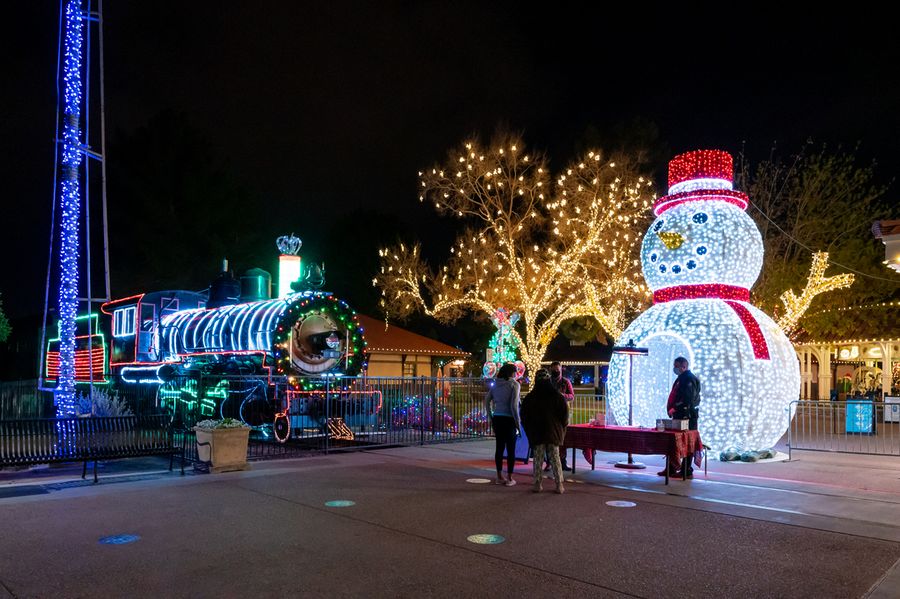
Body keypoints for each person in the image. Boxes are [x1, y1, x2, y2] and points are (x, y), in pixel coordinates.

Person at [521, 369, 568, 494]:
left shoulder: (530, 398)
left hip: (537, 432)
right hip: (553, 432)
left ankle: (538, 483)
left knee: (538, 458)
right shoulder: (557, 396)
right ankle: (559, 484)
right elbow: (564, 416)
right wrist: (562, 429)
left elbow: (524, 416)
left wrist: (529, 430)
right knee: (555, 458)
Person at [657, 356, 701, 478]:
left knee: (687, 443)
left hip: (687, 417)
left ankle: (686, 470)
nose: (675, 369)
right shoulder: (681, 378)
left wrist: (675, 408)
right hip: (679, 416)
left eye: (676, 366)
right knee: (674, 442)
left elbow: (687, 399)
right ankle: (671, 467)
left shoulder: (688, 379)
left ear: (684, 366)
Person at [485, 362, 521, 486]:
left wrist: (491, 416)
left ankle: (499, 476)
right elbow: (514, 405)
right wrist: (518, 424)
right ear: (512, 373)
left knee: (499, 447)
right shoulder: (514, 384)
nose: (517, 374)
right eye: (515, 372)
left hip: (497, 418)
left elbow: (487, 400)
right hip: (509, 419)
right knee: (511, 449)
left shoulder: (495, 385)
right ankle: (510, 478)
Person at [549, 361, 575, 471]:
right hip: (550, 414)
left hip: (563, 413)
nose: (555, 372)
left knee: (562, 439)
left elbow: (572, 396)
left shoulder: (565, 382)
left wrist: (562, 396)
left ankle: (563, 462)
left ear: (561, 370)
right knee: (550, 438)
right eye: (553, 370)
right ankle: (549, 462)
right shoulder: (548, 382)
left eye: (557, 370)